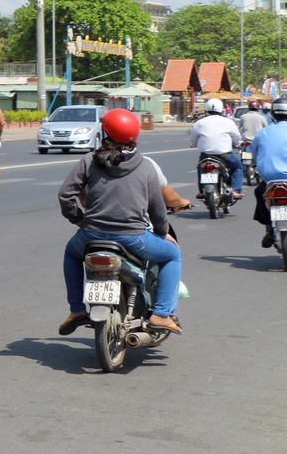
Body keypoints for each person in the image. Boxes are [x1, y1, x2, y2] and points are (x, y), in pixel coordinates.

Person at [57, 108, 183, 336]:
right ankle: (161, 314)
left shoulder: (89, 161)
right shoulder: (146, 166)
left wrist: (78, 219)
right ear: (135, 137)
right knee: (172, 255)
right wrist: (163, 232)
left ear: (104, 133)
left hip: (90, 235)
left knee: (71, 254)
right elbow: (157, 209)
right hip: (134, 238)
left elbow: (66, 194)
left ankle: (77, 309)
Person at [249, 96, 287, 247]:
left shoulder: (263, 133)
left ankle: (268, 229)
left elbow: (254, 154)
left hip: (270, 179)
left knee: (260, 193)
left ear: (272, 113)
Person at [189, 97, 243, 199]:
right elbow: (236, 137)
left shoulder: (199, 123)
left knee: (201, 168)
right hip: (224, 155)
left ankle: (202, 191)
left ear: (207, 109)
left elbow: (193, 138)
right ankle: (236, 190)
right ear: (221, 109)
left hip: (206, 156)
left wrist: (194, 144)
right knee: (238, 166)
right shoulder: (228, 122)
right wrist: (236, 143)